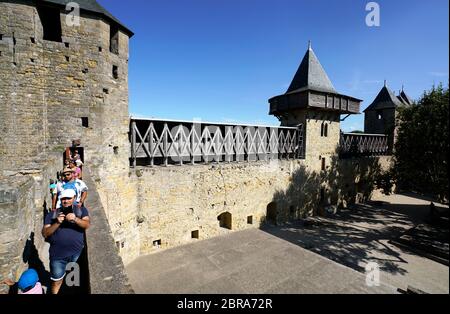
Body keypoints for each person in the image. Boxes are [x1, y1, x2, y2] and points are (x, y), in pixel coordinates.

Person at [42, 189, 90, 294]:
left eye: (68, 198)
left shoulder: (81, 210)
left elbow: (86, 225)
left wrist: (76, 219)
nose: (66, 201)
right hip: (57, 256)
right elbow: (45, 233)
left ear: (74, 198)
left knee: (72, 281)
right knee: (56, 282)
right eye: (63, 198)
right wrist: (57, 223)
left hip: (76, 254)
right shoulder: (52, 214)